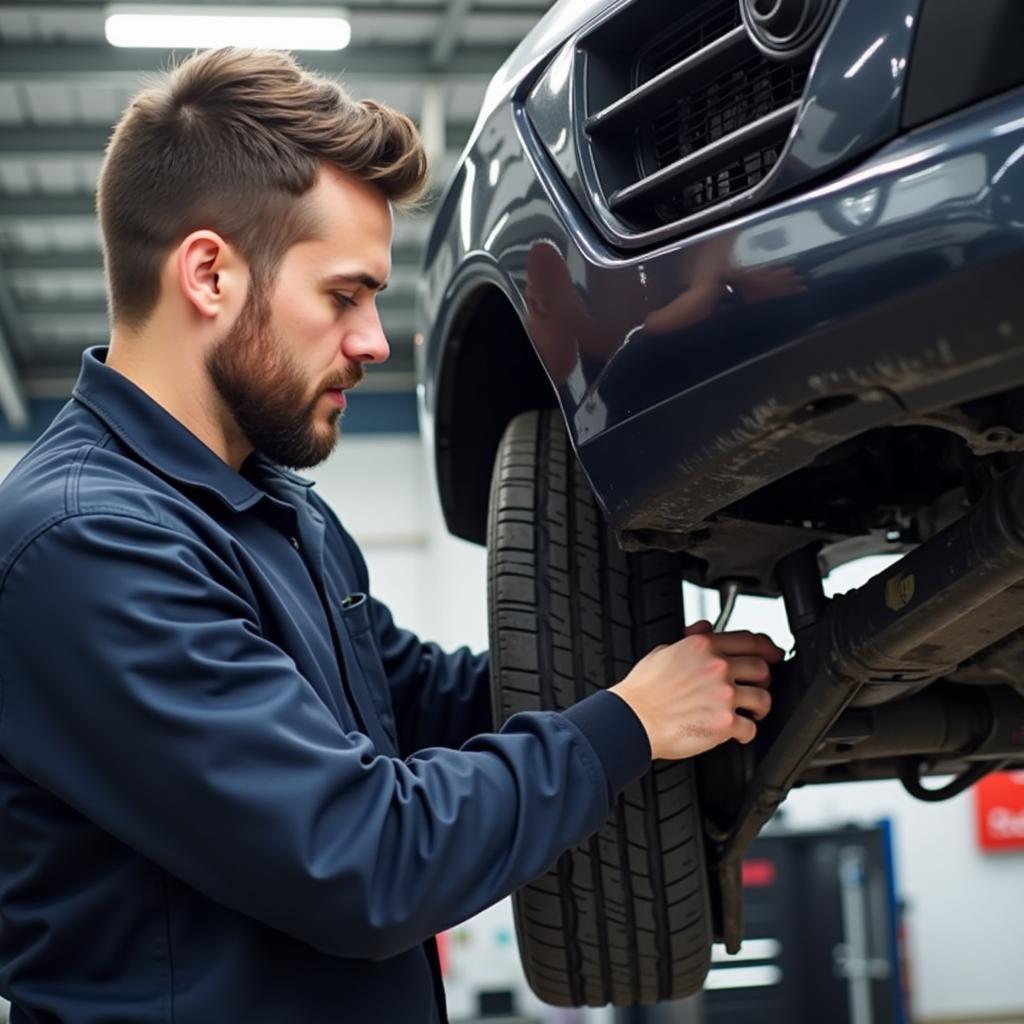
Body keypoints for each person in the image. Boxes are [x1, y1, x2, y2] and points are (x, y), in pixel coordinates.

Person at [0, 48, 781, 1024]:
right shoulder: (86, 546)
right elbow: (363, 859)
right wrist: (627, 724)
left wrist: (657, 675)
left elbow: (418, 701)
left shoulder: (274, 511)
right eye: (342, 295)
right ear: (207, 273)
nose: (372, 339)